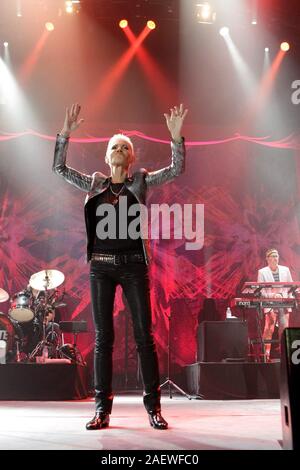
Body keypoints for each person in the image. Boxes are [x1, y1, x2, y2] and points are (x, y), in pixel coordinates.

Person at [53, 103, 188, 430]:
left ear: (131, 158)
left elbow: (175, 171)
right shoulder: (94, 183)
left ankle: (154, 408)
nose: (119, 150)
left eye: (125, 147)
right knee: (104, 339)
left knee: (144, 337)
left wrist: (175, 138)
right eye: (114, 146)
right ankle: (102, 409)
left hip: (132, 267)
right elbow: (59, 168)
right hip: (100, 268)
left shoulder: (140, 181)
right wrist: (65, 134)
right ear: (106, 155)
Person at [257, 248, 293, 361]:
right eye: (273, 256)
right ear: (267, 259)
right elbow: (260, 291)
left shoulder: (285, 270)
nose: (275, 258)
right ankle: (266, 355)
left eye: (276, 256)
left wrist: (289, 298)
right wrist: (273, 296)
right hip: (270, 303)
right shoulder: (262, 272)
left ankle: (285, 355)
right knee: (269, 328)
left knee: (284, 328)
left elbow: (291, 287)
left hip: (284, 303)